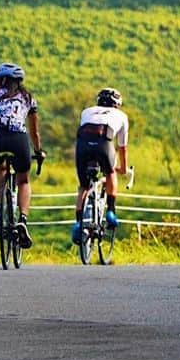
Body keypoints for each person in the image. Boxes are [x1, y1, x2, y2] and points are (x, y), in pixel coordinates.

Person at [0, 62, 44, 249]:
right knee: (23, 181)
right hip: (19, 139)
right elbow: (34, 132)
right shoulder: (28, 98)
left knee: (0, 168)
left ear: (2, 80)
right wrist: (38, 151)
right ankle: (23, 220)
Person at [71, 87, 129, 245]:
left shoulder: (86, 111)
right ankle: (110, 210)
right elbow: (122, 147)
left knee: (83, 186)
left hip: (82, 146)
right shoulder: (121, 116)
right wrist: (123, 168)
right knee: (111, 173)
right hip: (104, 144)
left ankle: (78, 223)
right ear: (117, 104)